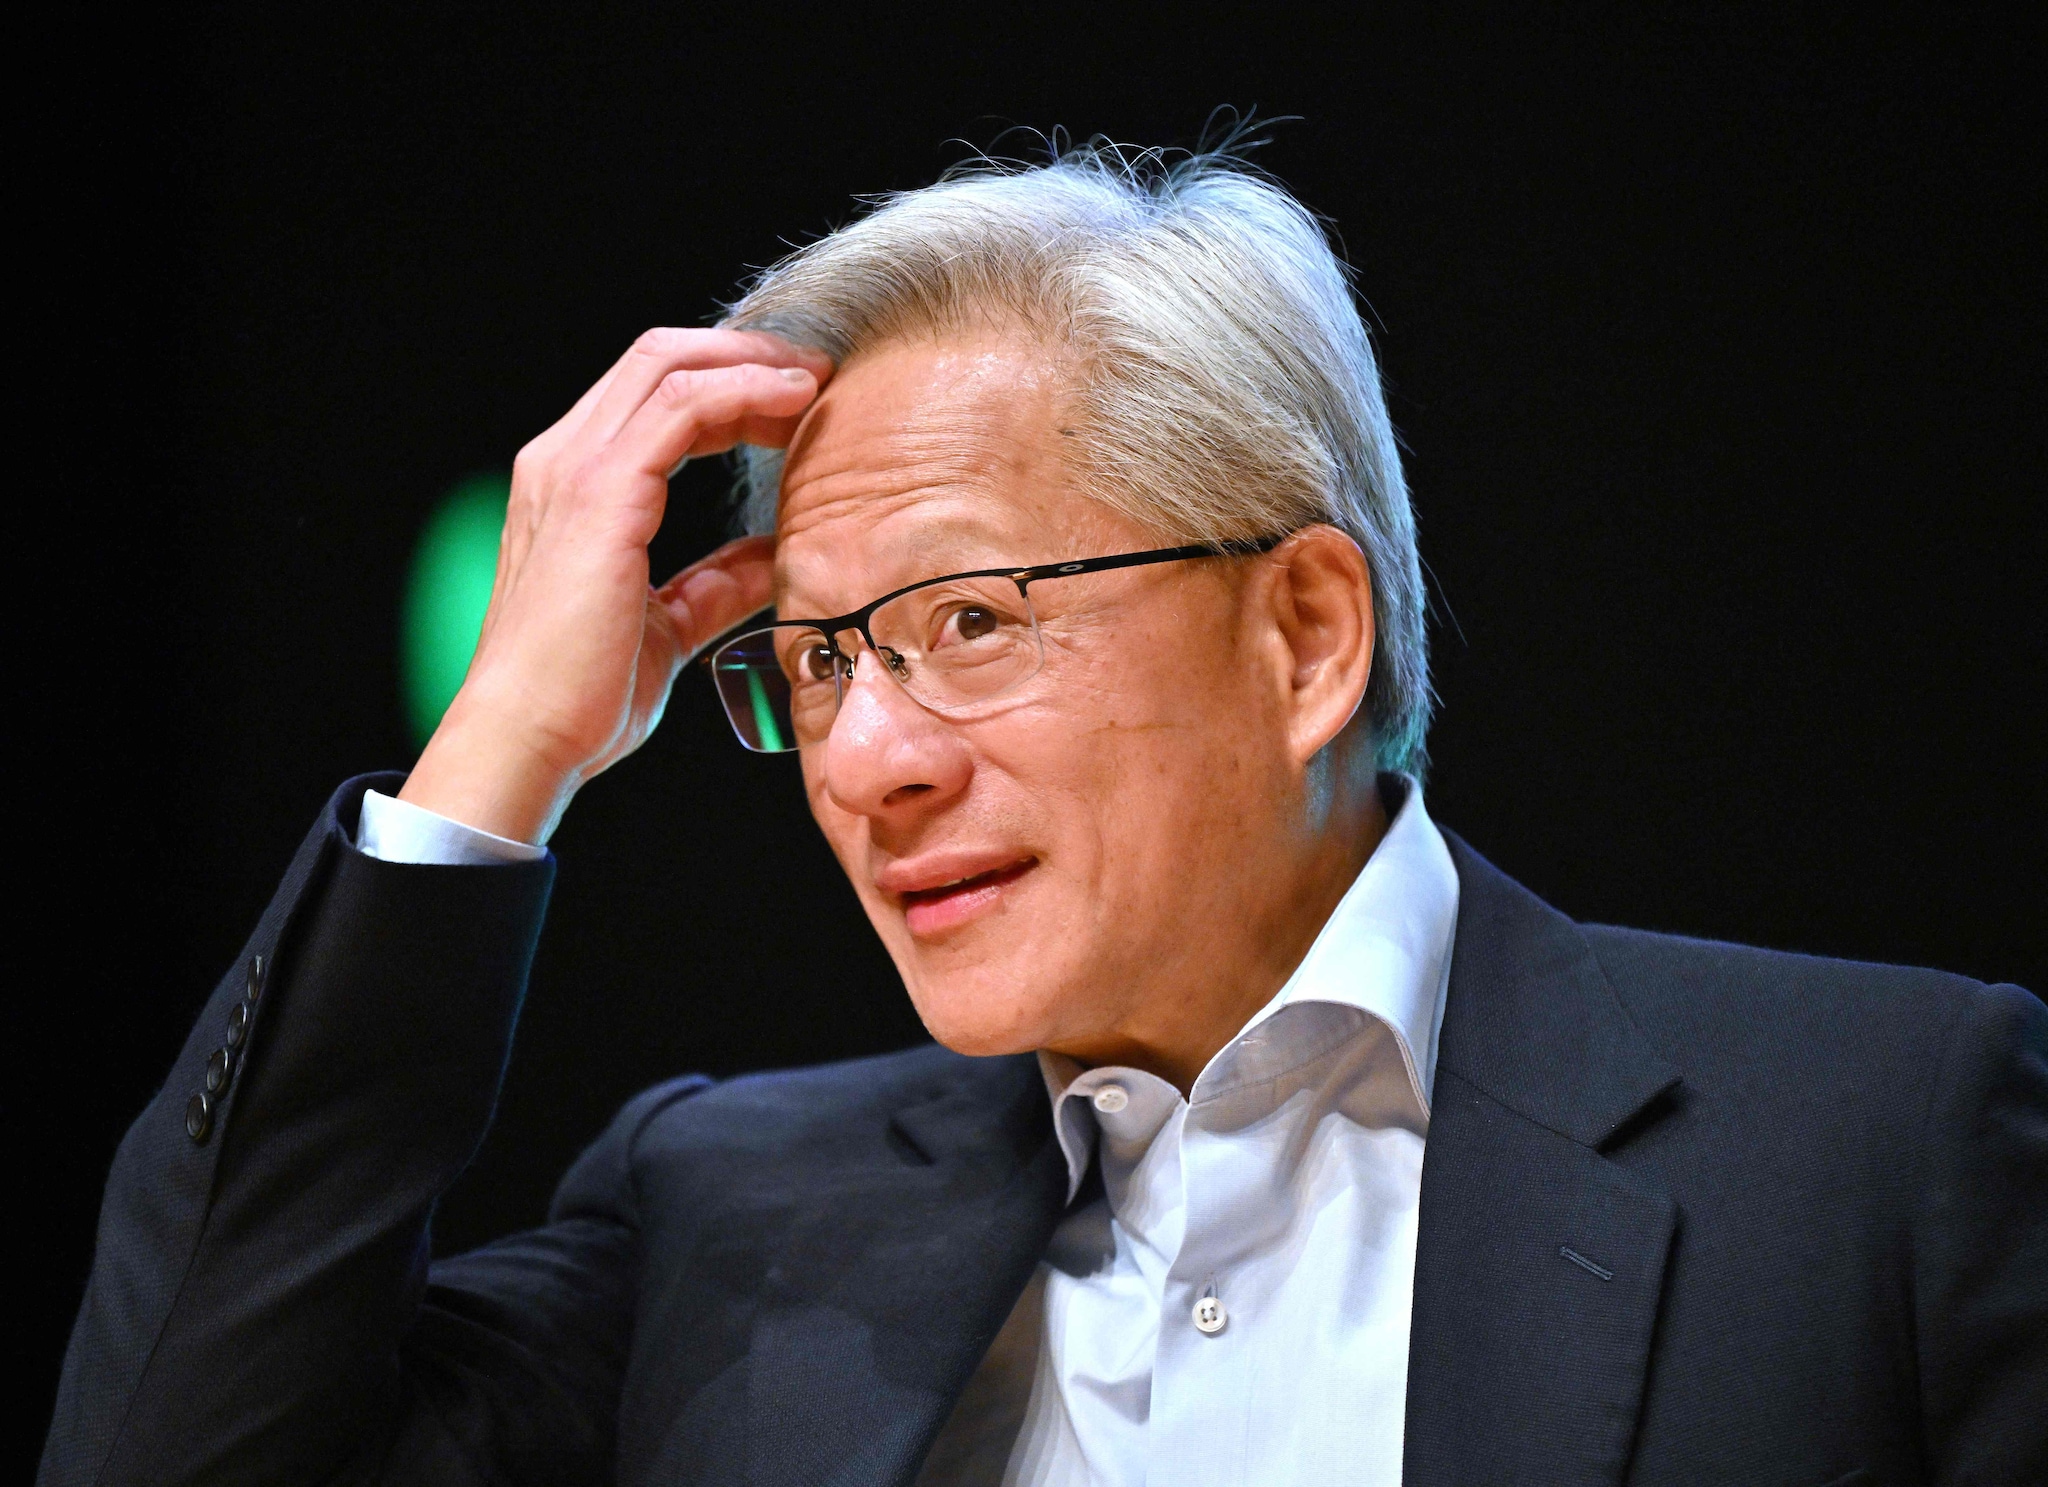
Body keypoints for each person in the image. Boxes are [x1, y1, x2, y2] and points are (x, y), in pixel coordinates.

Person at [40, 142, 2046, 1487]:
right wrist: (502, 750)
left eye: (971, 624)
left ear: (1304, 634)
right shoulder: (727, 1218)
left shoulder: (1882, 1144)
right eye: (815, 661)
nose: (866, 760)